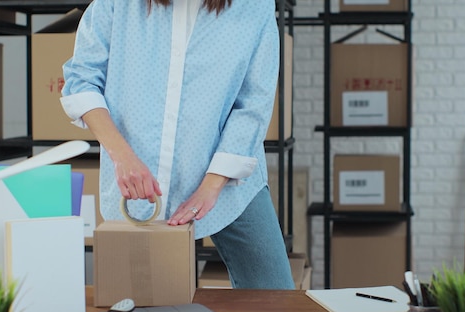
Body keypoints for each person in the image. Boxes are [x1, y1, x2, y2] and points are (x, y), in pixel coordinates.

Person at [60, 0, 295, 290]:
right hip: (139, 186)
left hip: (229, 184)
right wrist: (121, 156)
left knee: (275, 294)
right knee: (147, 305)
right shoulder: (117, 4)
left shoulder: (254, 6)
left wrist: (212, 185)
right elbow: (82, 80)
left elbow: (253, 105)